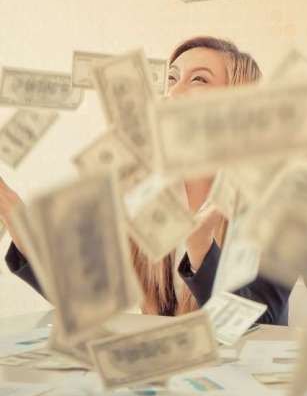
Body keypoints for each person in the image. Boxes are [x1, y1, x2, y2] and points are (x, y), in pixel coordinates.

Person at [2, 36, 291, 324]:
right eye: (172, 79)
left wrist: (200, 246)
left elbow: (263, 327)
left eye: (199, 80)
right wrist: (15, 214)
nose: (173, 93)